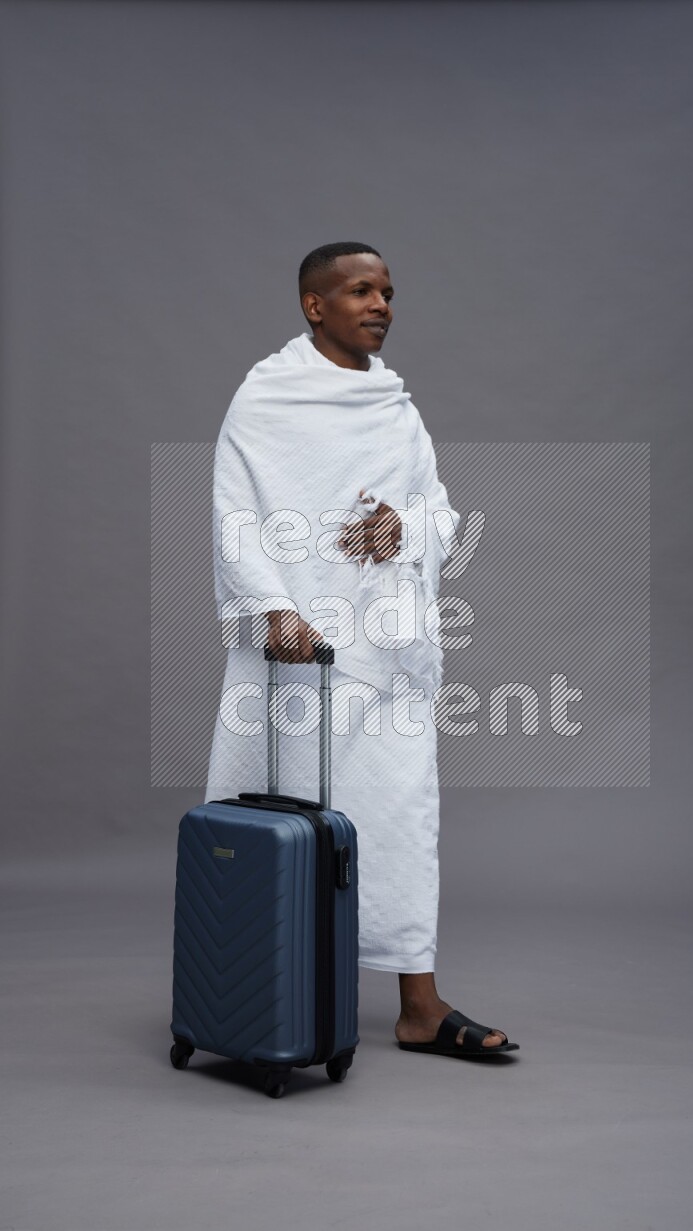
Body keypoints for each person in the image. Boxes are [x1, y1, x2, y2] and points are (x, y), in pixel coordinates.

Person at [205, 242, 517, 1058]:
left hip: (386, 652)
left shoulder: (394, 407)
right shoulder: (266, 396)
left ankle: (419, 1005)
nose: (379, 304)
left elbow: (440, 514)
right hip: (298, 650)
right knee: (282, 809)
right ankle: (257, 984)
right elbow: (234, 510)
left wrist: (404, 530)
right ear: (315, 305)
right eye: (358, 290)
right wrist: (273, 605)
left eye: (386, 291)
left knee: (400, 817)